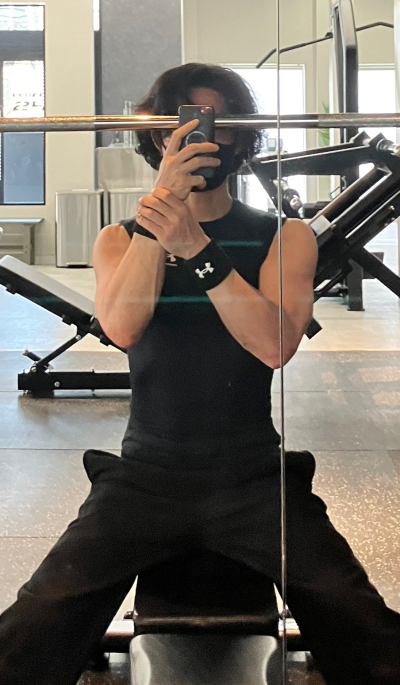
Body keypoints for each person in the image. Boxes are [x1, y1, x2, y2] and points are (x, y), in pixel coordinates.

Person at [0, 63, 399, 685]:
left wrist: (197, 249)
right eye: (183, 125)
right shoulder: (117, 240)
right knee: (36, 621)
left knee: (361, 623)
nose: (200, 139)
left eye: (216, 123)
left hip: (252, 477)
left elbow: (273, 345)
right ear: (159, 139)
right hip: (145, 475)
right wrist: (162, 220)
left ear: (240, 137)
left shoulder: (285, 237)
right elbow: (123, 328)